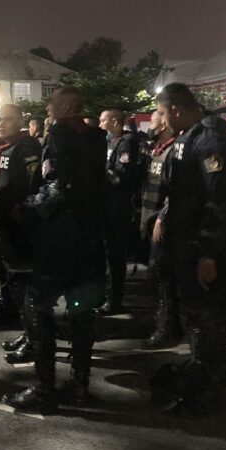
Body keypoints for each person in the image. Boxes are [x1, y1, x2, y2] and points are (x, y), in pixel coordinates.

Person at [2, 87, 107, 413]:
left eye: (52, 104)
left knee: (39, 308)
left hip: (60, 242)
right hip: (90, 239)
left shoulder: (60, 134)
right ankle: (79, 385)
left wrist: (27, 208)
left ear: (67, 106)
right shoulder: (97, 138)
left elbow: (57, 188)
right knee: (82, 313)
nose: (48, 109)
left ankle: (45, 389)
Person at [148, 83, 226, 415]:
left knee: (208, 315)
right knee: (195, 315)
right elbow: (181, 191)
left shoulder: (211, 138)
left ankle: (211, 385)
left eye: (161, 113)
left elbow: (219, 198)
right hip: (186, 243)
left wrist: (209, 252)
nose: (160, 120)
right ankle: (200, 371)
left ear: (175, 109)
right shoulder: (190, 136)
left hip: (201, 246)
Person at [0, 104, 43, 363]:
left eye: (6, 119)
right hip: (6, 228)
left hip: (22, 230)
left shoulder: (27, 147)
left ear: (20, 121)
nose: (0, 124)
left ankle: (36, 342)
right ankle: (28, 333)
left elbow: (34, 185)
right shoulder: (4, 148)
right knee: (16, 285)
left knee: (26, 286)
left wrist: (22, 213)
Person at [140, 106, 182, 349]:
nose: (151, 127)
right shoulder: (159, 149)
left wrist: (162, 218)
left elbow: (176, 190)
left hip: (162, 222)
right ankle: (164, 322)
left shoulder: (174, 150)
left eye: (154, 122)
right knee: (157, 276)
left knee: (162, 276)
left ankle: (167, 328)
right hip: (150, 217)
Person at [98, 108, 141, 315]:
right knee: (108, 253)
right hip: (107, 205)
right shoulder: (111, 142)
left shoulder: (126, 143)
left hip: (118, 206)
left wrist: (100, 170)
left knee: (115, 255)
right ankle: (108, 295)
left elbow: (121, 176)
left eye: (103, 120)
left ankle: (115, 299)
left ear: (115, 122)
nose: (100, 124)